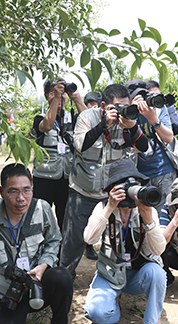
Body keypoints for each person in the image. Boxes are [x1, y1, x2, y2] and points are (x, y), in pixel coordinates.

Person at [0, 163, 80, 324]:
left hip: (36, 287)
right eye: (13, 192)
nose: (21, 199)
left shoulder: (42, 209)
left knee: (62, 277)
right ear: (1, 192)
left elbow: (54, 240)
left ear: (33, 188)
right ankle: (4, 320)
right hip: (4, 292)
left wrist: (43, 265)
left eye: (26, 190)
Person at [59, 84, 150, 278]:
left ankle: (113, 279)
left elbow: (145, 148)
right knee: (74, 240)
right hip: (82, 190)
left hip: (112, 194)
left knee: (113, 239)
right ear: (103, 106)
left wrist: (133, 127)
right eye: (117, 107)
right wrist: (104, 125)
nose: (121, 112)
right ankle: (64, 278)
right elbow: (80, 145)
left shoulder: (129, 120)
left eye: (125, 107)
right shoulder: (87, 117)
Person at [83, 158, 168, 324]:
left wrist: (149, 220)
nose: (131, 191)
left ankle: (154, 320)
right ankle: (114, 301)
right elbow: (89, 239)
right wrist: (109, 208)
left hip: (138, 273)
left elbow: (159, 249)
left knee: (158, 274)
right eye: (125, 185)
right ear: (112, 188)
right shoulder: (104, 207)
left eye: (135, 184)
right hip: (111, 272)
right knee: (95, 313)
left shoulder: (147, 210)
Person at [31, 78, 86, 230]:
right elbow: (47, 125)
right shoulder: (39, 118)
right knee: (40, 219)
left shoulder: (72, 117)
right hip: (43, 179)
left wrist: (77, 98)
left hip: (66, 179)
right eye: (53, 92)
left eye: (62, 93)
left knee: (66, 221)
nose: (60, 96)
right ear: (46, 95)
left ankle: (63, 253)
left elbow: (90, 122)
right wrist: (56, 98)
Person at [125, 79, 177, 211]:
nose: (141, 100)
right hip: (139, 176)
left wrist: (153, 118)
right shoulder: (124, 114)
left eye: (142, 95)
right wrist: (131, 114)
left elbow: (169, 137)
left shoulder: (157, 109)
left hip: (163, 172)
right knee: (144, 222)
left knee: (164, 218)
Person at [82, 91, 102, 261]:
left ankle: (89, 246)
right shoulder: (81, 118)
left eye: (96, 104)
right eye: (91, 105)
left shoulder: (106, 120)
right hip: (81, 174)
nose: (93, 108)